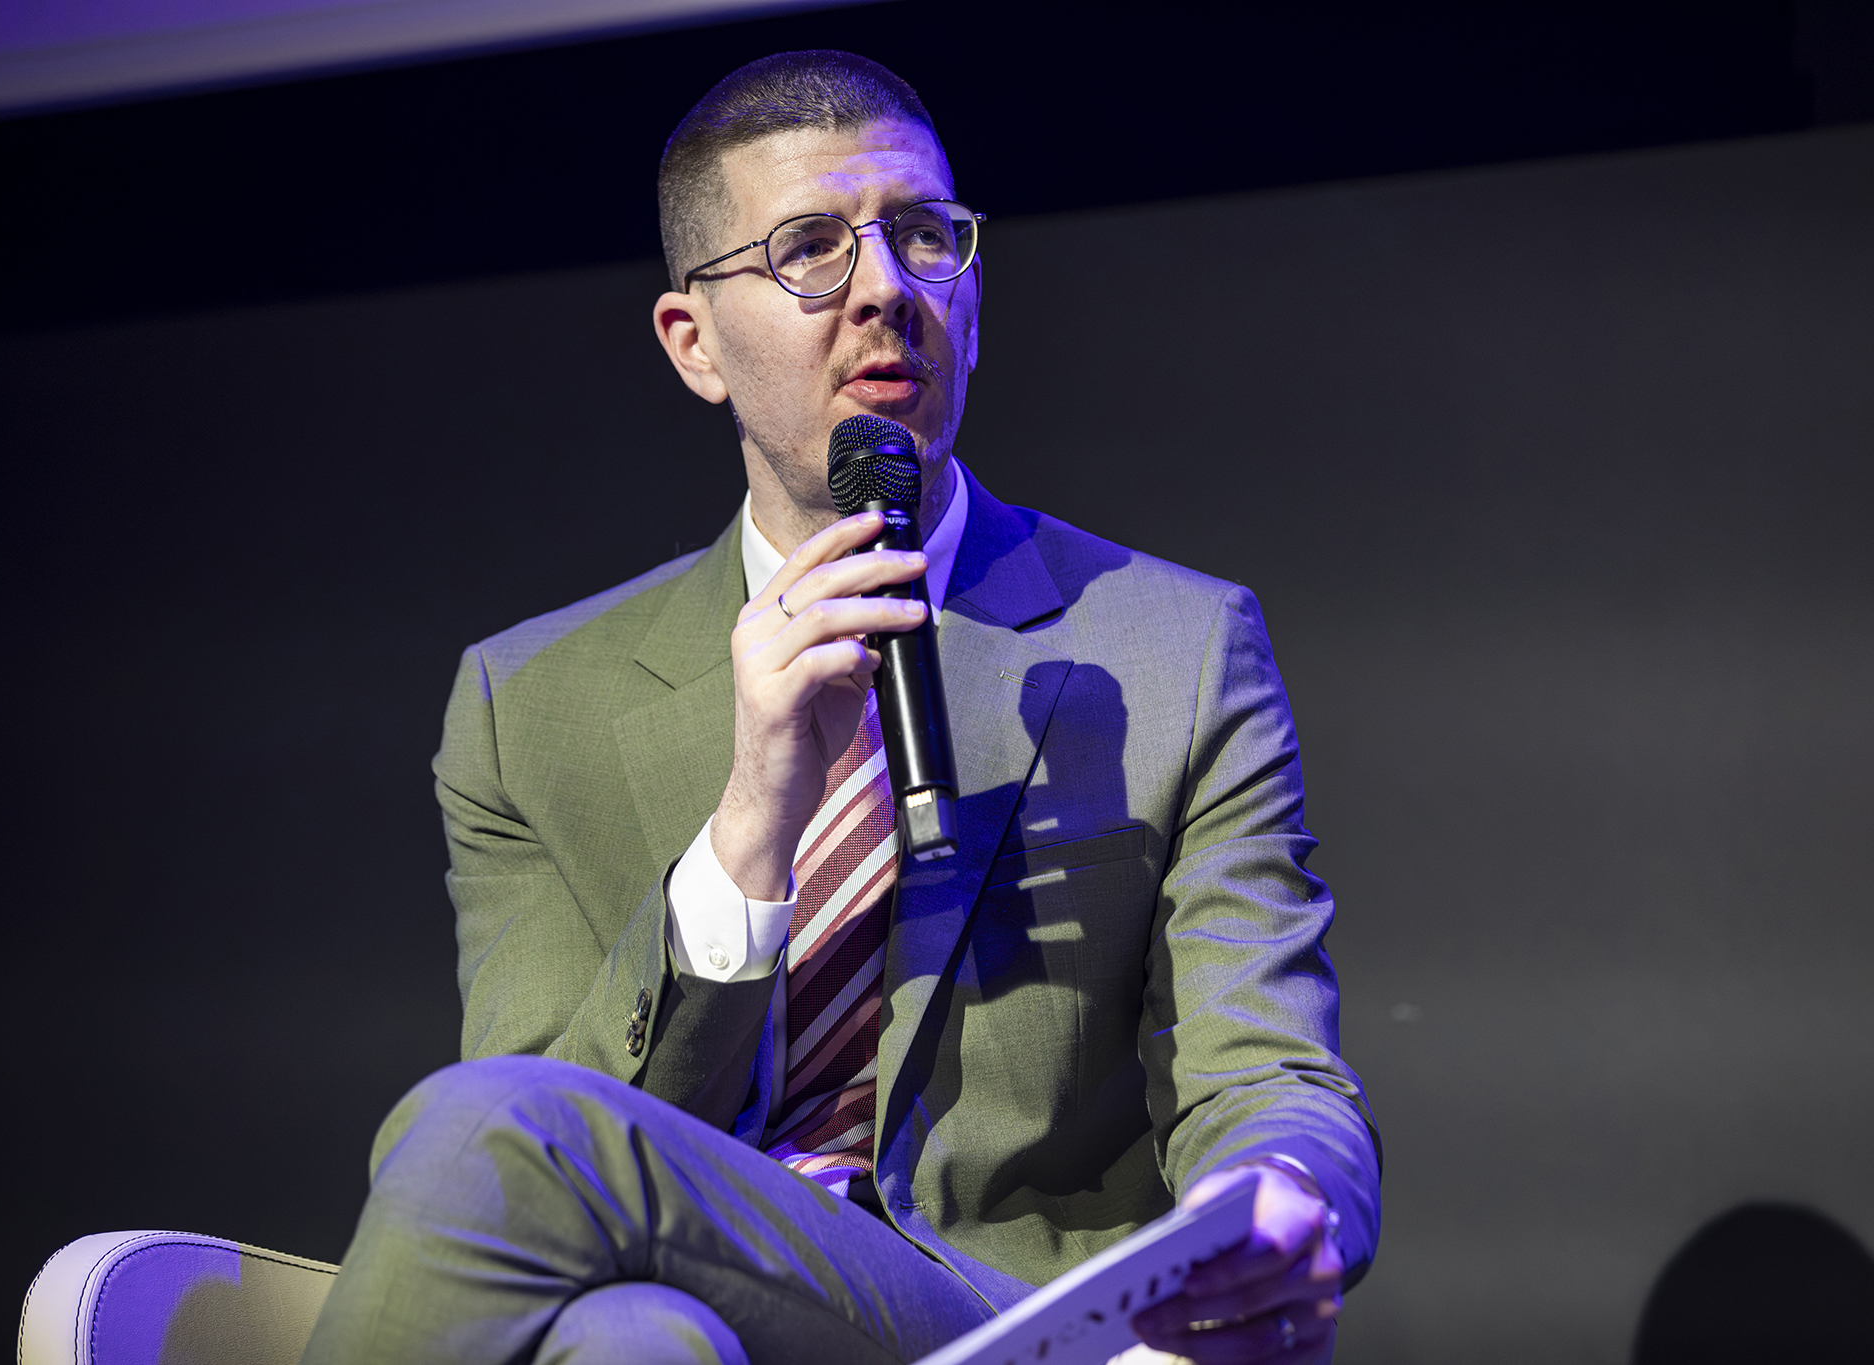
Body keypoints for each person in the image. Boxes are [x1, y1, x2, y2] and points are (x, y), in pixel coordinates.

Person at [301, 49, 1380, 1365]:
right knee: (631, 1339)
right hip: (709, 1296)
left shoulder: (1174, 647)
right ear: (695, 344)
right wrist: (753, 819)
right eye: (810, 248)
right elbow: (553, 1129)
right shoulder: (527, 705)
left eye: (923, 234)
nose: (886, 289)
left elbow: (1267, 1066)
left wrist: (1274, 1199)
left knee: (484, 1132)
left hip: (1007, 1321)